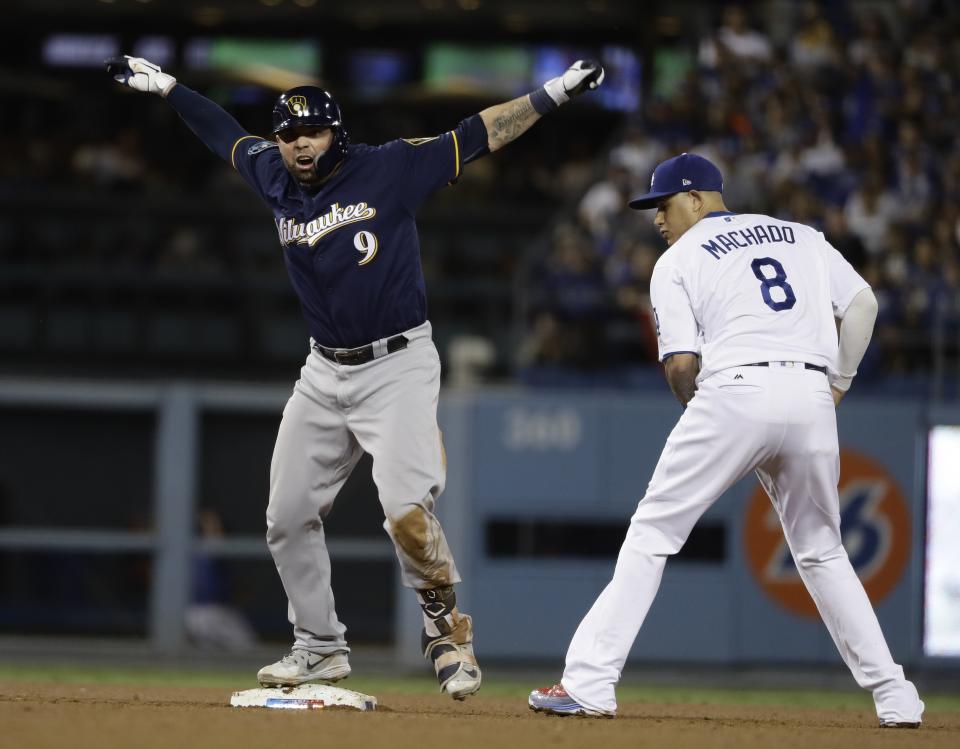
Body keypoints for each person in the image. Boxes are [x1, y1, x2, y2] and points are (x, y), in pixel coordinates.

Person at [107, 54, 604, 700]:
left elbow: (477, 134)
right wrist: (173, 89)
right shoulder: (273, 175)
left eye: (310, 132)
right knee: (285, 516)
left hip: (397, 364)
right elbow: (223, 133)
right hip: (323, 370)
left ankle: (447, 631)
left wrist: (556, 92)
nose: (298, 145)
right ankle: (318, 646)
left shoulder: (389, 167)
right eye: (288, 135)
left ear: (335, 133)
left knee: (404, 511)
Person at [528, 153, 925, 727]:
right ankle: (897, 697)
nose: (657, 220)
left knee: (654, 531)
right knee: (823, 550)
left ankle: (589, 684)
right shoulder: (802, 235)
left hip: (735, 388)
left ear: (695, 198)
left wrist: (712, 415)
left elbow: (681, 366)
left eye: (663, 206)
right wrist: (838, 382)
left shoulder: (677, 259)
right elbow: (864, 305)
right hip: (811, 393)